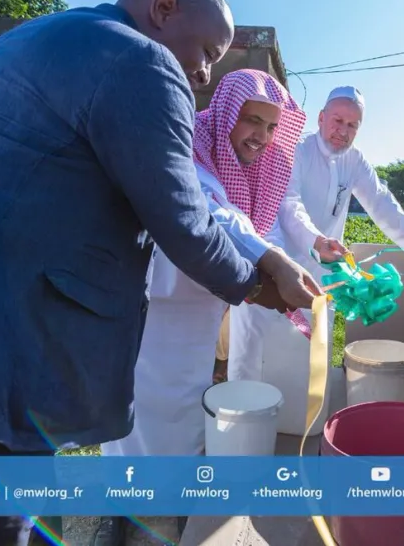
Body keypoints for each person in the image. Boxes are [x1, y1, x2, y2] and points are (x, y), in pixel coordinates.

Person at [0, 0, 319, 546]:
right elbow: (186, 219)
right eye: (209, 53)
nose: (203, 75)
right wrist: (263, 284)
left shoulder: (42, 39)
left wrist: (263, 260)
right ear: (164, 9)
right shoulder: (138, 60)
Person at [95, 68, 309, 545]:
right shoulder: (187, 148)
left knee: (185, 412)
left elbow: (253, 225)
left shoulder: (247, 169)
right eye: (253, 121)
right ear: (227, 113)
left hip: (197, 312)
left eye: (274, 128)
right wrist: (274, 264)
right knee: (138, 419)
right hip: (152, 309)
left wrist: (284, 266)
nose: (263, 137)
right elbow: (213, 213)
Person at [226, 86, 404, 381]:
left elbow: (380, 200)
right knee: (256, 366)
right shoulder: (295, 149)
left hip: (322, 280)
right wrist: (316, 241)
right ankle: (248, 424)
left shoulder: (354, 160)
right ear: (321, 118)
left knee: (305, 370)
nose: (342, 131)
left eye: (352, 125)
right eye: (337, 121)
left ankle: (301, 426)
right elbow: (288, 205)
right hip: (273, 270)